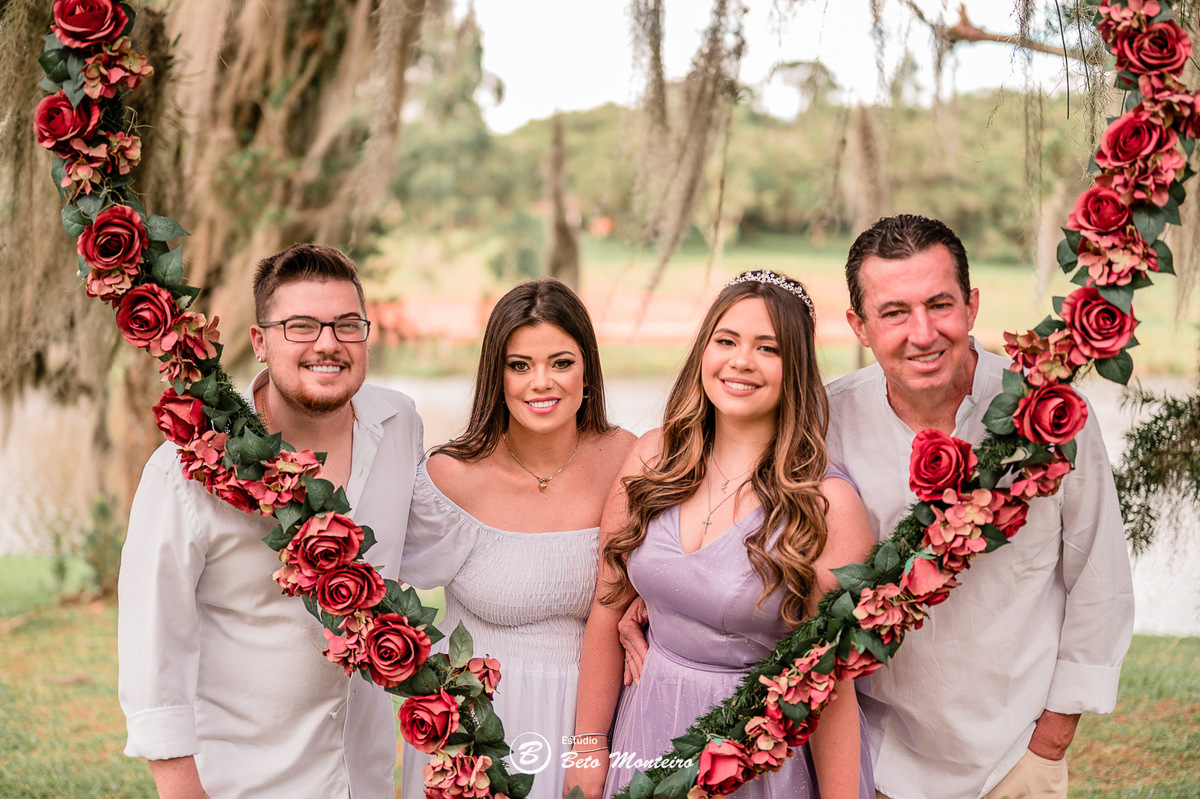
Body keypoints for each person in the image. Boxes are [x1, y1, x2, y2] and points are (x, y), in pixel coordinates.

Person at [827, 214, 1134, 799]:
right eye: (894, 312)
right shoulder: (827, 422)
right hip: (881, 758)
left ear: (971, 305)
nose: (922, 333)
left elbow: (1100, 577)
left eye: (939, 304)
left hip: (1016, 757)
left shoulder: (1051, 414)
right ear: (859, 326)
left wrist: (1051, 740)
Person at [118, 243, 424, 799]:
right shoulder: (186, 470)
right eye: (301, 326)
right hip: (245, 784)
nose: (328, 344)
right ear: (260, 342)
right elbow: (151, 649)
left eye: (347, 325)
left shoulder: (399, 423)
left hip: (367, 782)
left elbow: (440, 541)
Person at [567, 270, 877, 799]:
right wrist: (588, 749)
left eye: (767, 348)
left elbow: (832, 689)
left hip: (756, 760)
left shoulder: (826, 505)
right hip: (644, 730)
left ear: (796, 368)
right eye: (726, 341)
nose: (741, 361)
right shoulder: (652, 457)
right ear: (703, 352)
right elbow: (606, 605)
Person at [398, 278, 636, 799]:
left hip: (597, 721)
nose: (541, 383)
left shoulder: (627, 458)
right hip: (480, 729)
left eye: (561, 362)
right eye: (520, 365)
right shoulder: (451, 477)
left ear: (588, 372)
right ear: (497, 377)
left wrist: (643, 609)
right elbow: (378, 582)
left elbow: (666, 565)